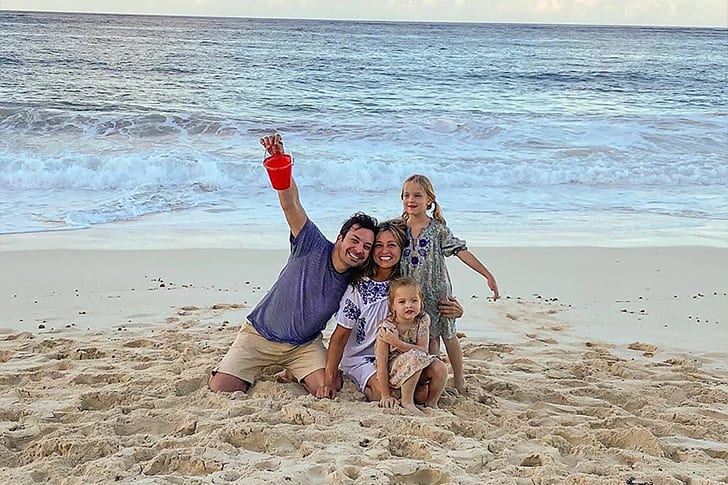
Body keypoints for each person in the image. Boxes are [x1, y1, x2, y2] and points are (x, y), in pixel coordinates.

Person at [208, 134, 378, 395]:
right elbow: (291, 203)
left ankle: (292, 370)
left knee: (330, 387)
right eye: (355, 241)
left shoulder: (357, 279)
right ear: (340, 238)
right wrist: (279, 161)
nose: (359, 250)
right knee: (221, 389)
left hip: (303, 346)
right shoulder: (311, 243)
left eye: (366, 247)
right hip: (258, 336)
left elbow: (392, 272)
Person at [316, 220, 463, 406]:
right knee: (395, 395)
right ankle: (372, 387)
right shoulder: (358, 288)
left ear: (401, 249)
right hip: (361, 359)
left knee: (432, 379)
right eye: (379, 245)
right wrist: (329, 380)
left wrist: (457, 311)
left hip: (397, 355)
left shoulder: (405, 283)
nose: (385, 251)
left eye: (392, 245)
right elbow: (339, 337)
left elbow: (431, 306)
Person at [400, 174, 499, 395]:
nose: (411, 200)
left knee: (448, 335)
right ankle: (434, 380)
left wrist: (487, 275)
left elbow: (461, 252)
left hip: (438, 294)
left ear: (429, 200)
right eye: (406, 195)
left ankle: (459, 378)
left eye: (417, 195)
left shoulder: (437, 229)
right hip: (412, 297)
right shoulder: (398, 229)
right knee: (428, 337)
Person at [376, 277, 439, 415]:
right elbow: (381, 363)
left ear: (421, 302)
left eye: (414, 301)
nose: (409, 305)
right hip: (395, 372)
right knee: (415, 356)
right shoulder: (387, 329)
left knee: (439, 367)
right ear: (393, 306)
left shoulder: (422, 320)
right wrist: (385, 395)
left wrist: (396, 343)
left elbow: (423, 350)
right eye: (402, 302)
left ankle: (432, 403)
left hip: (418, 366)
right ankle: (407, 402)